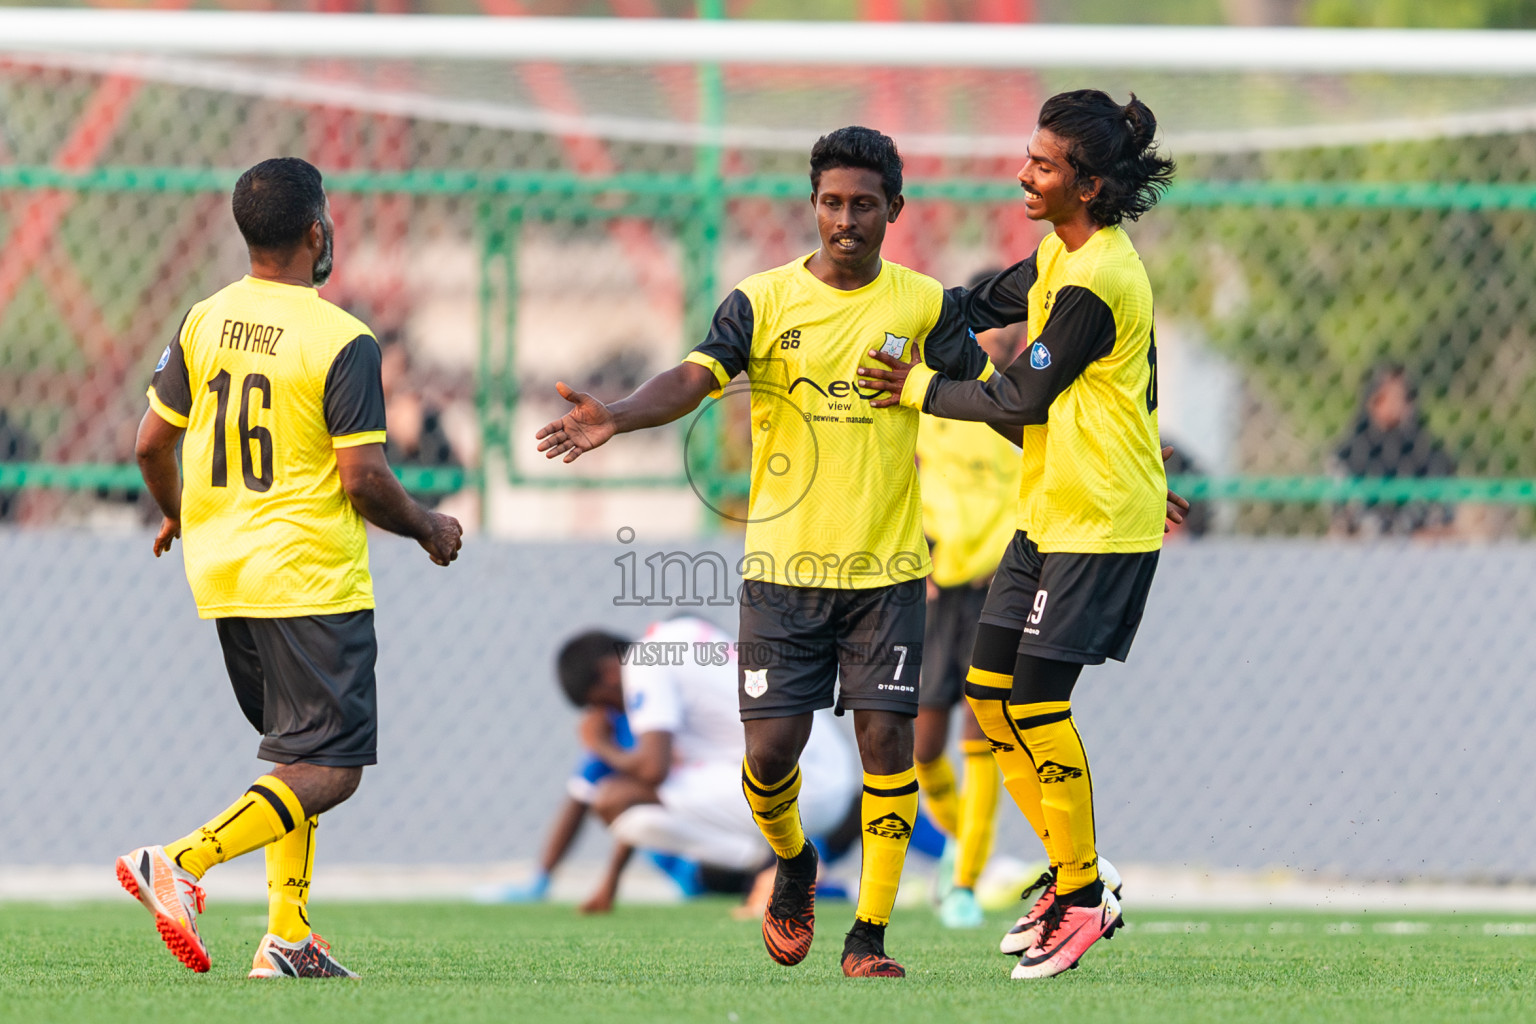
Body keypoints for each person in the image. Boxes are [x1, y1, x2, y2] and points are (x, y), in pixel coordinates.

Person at [536, 126, 1000, 978]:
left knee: (887, 748)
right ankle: (792, 862)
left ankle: (869, 936)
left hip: (889, 573)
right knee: (769, 755)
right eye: (832, 203)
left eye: (865, 204)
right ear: (812, 206)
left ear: (894, 209)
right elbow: (694, 376)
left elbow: (993, 399)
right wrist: (620, 414)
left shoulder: (923, 305)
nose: (846, 220)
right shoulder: (762, 302)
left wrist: (1113, 466)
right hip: (783, 575)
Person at [858, 90, 1177, 979]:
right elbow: (965, 304)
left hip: (1098, 526)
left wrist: (915, 386)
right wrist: (890, 308)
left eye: (1042, 164)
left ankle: (1079, 896)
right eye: (1027, 156)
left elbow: (1021, 397)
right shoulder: (1054, 256)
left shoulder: (1098, 277)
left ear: (1092, 184)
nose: (1023, 174)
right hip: (1049, 514)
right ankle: (1076, 876)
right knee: (989, 695)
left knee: (1036, 705)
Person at [118, 157, 463, 979]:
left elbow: (149, 442)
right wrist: (427, 527)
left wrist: (175, 511)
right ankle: (180, 862)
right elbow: (364, 478)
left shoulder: (205, 321)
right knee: (332, 769)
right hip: (306, 574)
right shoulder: (341, 339)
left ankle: (288, 935)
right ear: (317, 231)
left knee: (294, 754)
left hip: (225, 573)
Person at [550, 618, 860, 914]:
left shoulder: (643, 665)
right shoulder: (679, 635)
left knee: (611, 799)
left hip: (802, 788)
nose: (612, 712)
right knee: (634, 803)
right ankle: (784, 866)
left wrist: (599, 743)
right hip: (824, 770)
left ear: (608, 672)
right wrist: (611, 881)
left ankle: (780, 866)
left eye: (603, 702)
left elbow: (652, 773)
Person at [911, 273, 1024, 929]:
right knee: (924, 744)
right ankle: (966, 845)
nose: (997, 333)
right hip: (936, 583)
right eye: (987, 320)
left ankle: (964, 881)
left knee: (982, 729)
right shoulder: (935, 395)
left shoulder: (1024, 398)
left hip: (998, 582)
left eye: (1006, 320)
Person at [1331, 363, 1456, 538]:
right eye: (1390, 396)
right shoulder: (1348, 452)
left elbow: (1442, 512)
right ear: (1374, 400)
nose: (1400, 404)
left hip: (1417, 543)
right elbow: (1343, 515)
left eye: (1406, 396)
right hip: (1365, 541)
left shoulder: (1428, 452)